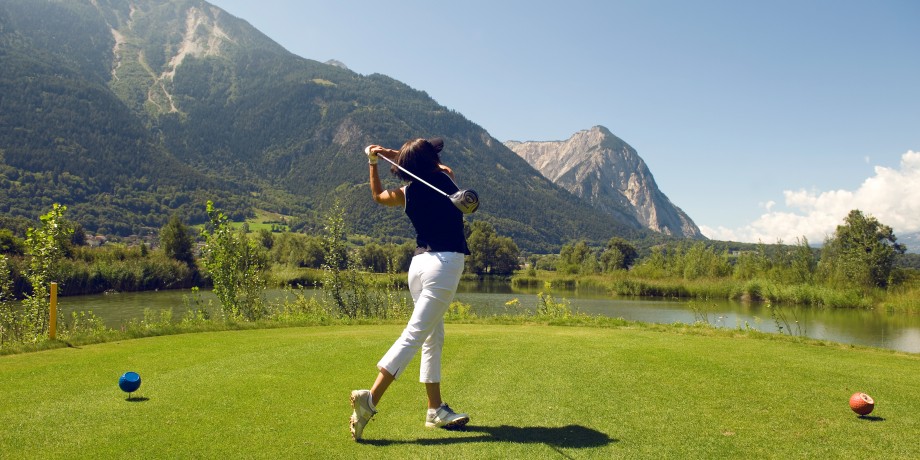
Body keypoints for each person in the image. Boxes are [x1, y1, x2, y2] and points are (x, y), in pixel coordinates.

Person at [349, 138, 472, 441]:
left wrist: (374, 161)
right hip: (443, 265)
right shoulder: (446, 178)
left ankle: (435, 409)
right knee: (416, 335)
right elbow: (427, 163)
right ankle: (370, 399)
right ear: (430, 159)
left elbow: (378, 195)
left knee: (433, 335)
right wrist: (389, 153)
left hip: (418, 266)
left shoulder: (407, 192)